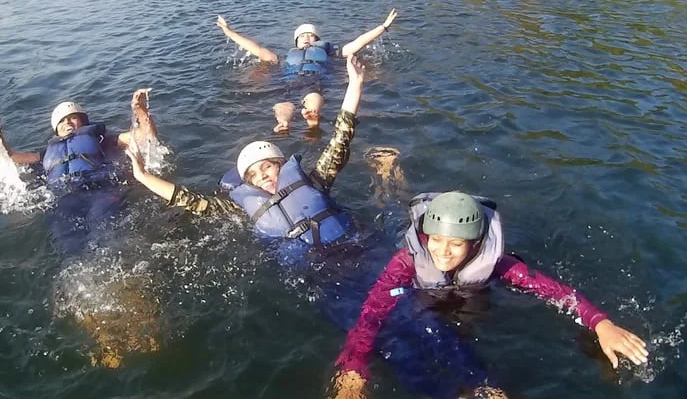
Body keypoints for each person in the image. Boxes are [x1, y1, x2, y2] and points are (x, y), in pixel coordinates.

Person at [126, 57, 507, 399]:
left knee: (418, 316)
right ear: (246, 184)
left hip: (362, 253)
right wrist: (142, 176)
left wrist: (355, 87)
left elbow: (341, 137)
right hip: (324, 280)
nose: (265, 178)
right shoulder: (240, 210)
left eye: (269, 168)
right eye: (256, 175)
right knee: (387, 343)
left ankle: (480, 384)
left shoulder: (315, 179)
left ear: (281, 165)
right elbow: (187, 199)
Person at [330, 191, 650, 399]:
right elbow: (374, 309)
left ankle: (484, 390)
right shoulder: (406, 261)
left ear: (475, 244)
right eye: (436, 241)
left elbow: (555, 291)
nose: (442, 252)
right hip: (422, 303)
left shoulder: (496, 264)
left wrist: (600, 323)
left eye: (455, 244)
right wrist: (354, 362)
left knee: (460, 341)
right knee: (415, 336)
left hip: (470, 304)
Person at [0, 89, 162, 367]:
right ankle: (103, 335)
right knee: (74, 259)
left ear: (84, 121)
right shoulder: (45, 153)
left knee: (108, 245)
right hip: (65, 200)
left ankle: (142, 320)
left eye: (75, 119)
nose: (70, 123)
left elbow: (142, 137)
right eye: (64, 120)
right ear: (56, 127)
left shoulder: (103, 139)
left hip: (102, 192)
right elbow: (9, 158)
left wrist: (140, 112)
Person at [216, 10, 397, 132]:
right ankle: (284, 122)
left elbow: (358, 42)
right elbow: (256, 49)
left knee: (314, 97)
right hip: (289, 82)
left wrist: (383, 26)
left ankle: (312, 116)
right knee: (283, 104)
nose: (307, 38)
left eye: (311, 36)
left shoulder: (332, 53)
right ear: (296, 42)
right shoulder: (281, 58)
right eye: (302, 36)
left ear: (317, 40)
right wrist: (229, 32)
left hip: (314, 80)